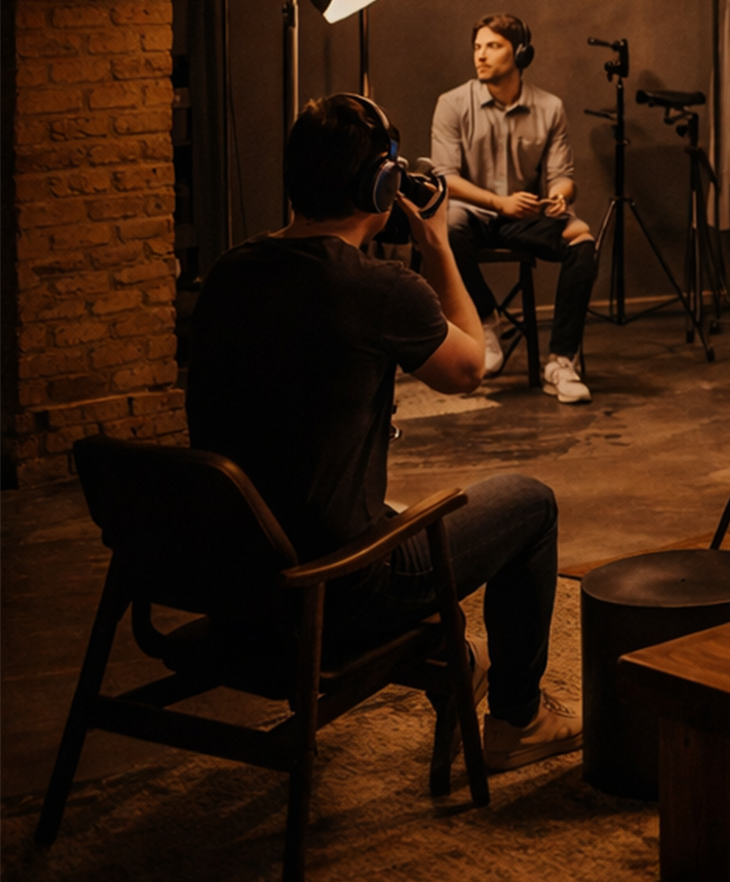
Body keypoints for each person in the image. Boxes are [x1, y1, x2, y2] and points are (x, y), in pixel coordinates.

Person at [187, 94, 585, 771]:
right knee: (530, 500)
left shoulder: (228, 273)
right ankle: (518, 718)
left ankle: (460, 657)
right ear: (381, 185)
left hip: (228, 577)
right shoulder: (377, 288)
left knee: (393, 508)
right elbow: (468, 368)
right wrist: (435, 241)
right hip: (334, 589)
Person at [432, 13, 599, 404]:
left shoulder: (550, 108)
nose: (481, 56)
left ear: (521, 54)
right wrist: (497, 202)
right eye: (477, 47)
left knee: (581, 238)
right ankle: (487, 324)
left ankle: (560, 362)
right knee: (447, 225)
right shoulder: (453, 104)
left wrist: (561, 195)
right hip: (472, 214)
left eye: (493, 46)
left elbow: (562, 175)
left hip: (522, 216)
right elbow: (444, 177)